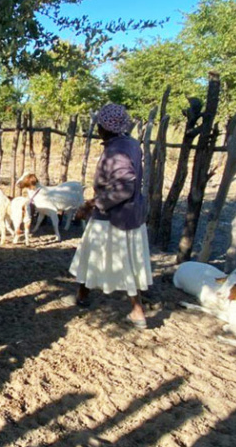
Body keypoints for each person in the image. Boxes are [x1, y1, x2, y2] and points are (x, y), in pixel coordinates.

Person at [70, 103, 152, 327]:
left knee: (106, 258)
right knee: (114, 258)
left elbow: (124, 187)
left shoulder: (116, 151)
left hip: (113, 216)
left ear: (105, 127)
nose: (97, 128)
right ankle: (85, 295)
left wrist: (95, 204)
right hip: (131, 213)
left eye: (99, 125)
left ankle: (136, 310)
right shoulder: (130, 144)